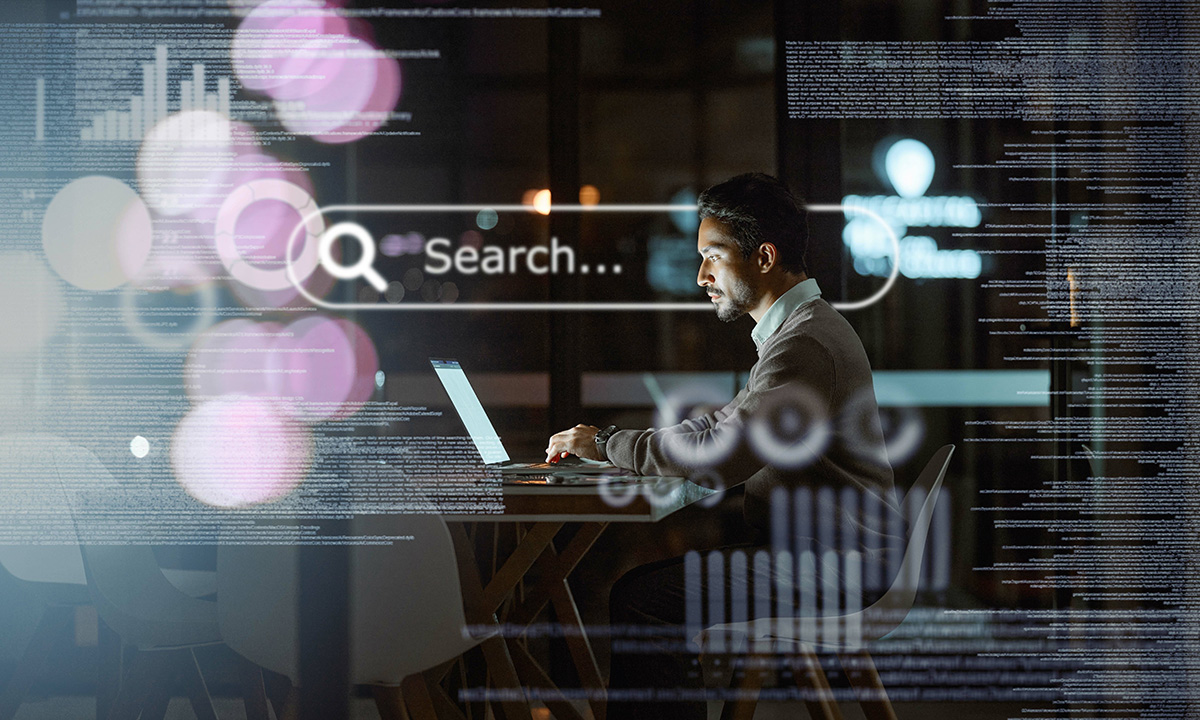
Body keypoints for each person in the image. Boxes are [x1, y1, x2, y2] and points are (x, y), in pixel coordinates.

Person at [545, 172, 897, 719]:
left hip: (839, 563)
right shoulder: (799, 333)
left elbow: (723, 454)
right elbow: (725, 428)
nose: (701, 275)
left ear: (763, 257)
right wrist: (620, 444)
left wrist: (610, 443)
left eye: (714, 255)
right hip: (828, 551)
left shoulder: (803, 343)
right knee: (644, 592)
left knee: (645, 601)